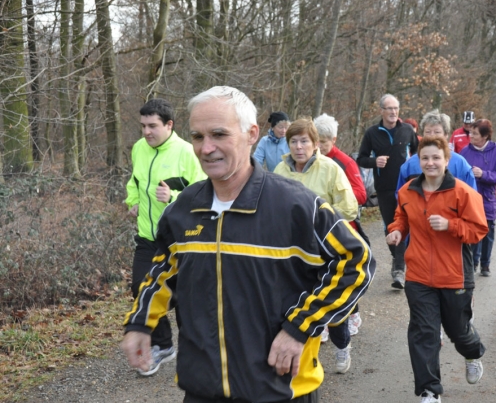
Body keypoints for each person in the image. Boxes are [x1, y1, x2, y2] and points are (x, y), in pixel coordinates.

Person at [122, 86, 375, 403]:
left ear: (251, 133)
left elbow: (357, 263)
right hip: (202, 387)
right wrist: (140, 323)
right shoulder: (183, 209)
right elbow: (163, 271)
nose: (206, 148)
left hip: (281, 388)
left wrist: (299, 328)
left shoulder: (296, 206)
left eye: (218, 134)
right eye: (198, 137)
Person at [387, 136, 488, 403]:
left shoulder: (463, 193)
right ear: (418, 161)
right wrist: (396, 231)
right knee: (424, 332)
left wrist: (450, 225)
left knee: (458, 331)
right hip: (419, 276)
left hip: (455, 275)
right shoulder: (407, 191)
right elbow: (401, 218)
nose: (430, 163)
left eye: (436, 158)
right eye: (425, 158)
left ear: (447, 160)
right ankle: (430, 390)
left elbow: (478, 231)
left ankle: (473, 352)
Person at [124, 98, 206, 376]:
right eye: (143, 126)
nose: (146, 132)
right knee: (140, 288)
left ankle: (197, 353)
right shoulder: (139, 148)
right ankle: (163, 345)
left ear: (169, 125)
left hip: (182, 239)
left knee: (185, 298)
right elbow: (134, 181)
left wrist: (172, 196)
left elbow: (203, 192)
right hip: (148, 237)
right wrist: (132, 200)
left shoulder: (187, 152)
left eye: (152, 126)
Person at [274, 118, 360, 374]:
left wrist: (318, 218)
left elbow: (350, 208)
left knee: (330, 307)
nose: (299, 147)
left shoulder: (331, 169)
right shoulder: (280, 170)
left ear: (314, 144)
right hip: (292, 252)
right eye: (293, 141)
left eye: (304, 141)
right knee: (298, 305)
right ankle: (304, 361)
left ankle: (342, 344)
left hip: (325, 251)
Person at [357, 94, 419, 289]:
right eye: (389, 108)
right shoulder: (372, 133)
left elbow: (418, 154)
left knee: (404, 223)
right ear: (381, 111)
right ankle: (399, 258)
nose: (393, 112)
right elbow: (361, 158)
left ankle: (399, 269)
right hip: (384, 187)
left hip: (407, 187)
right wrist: (375, 162)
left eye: (396, 108)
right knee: (389, 226)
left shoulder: (408, 130)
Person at [314, 113, 367, 338]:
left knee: (342, 277)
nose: (320, 146)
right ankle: (323, 322)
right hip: (315, 231)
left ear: (333, 140)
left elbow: (361, 194)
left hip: (342, 227)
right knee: (319, 276)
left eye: (324, 142)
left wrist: (330, 202)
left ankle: (352, 314)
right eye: (317, 141)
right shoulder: (309, 162)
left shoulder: (344, 162)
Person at [460, 119, 496, 277]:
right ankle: (473, 263)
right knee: (473, 231)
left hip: (488, 198)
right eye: (470, 133)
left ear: (485, 136)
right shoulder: (465, 152)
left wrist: (483, 174)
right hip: (470, 198)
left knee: (488, 232)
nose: (470, 136)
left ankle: (485, 264)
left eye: (475, 133)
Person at [396, 111, 476, 192]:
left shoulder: (460, 164)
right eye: (428, 132)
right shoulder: (410, 164)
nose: (432, 136)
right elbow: (400, 196)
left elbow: (471, 196)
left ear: (446, 135)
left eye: (437, 132)